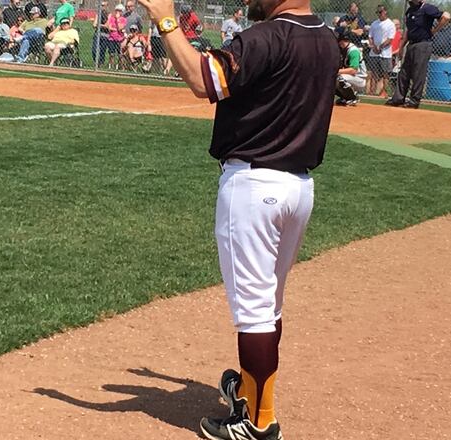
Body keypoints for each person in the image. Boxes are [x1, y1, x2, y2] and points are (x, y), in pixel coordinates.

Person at [137, 0, 340, 437]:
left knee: (254, 313)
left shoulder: (267, 36)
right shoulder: (325, 37)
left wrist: (165, 18)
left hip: (254, 186)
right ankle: (250, 394)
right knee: (269, 305)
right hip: (298, 189)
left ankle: (258, 424)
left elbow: (201, 79)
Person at [386, 0, 450, 109]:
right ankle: (398, 99)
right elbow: (408, 31)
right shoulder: (410, 11)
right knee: (404, 73)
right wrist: (401, 47)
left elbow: (446, 17)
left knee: (418, 73)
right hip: (411, 44)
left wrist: (434, 31)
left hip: (422, 44)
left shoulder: (427, 8)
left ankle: (414, 101)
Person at [366, 5, 395, 98]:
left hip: (385, 53)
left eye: (380, 12)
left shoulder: (390, 24)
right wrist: (374, 46)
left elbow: (390, 39)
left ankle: (384, 92)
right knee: (373, 73)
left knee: (385, 73)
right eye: (377, 12)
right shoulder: (374, 23)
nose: (379, 14)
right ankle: (372, 92)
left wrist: (380, 47)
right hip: (374, 52)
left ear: (385, 12)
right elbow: (370, 36)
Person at [336, 30, 367, 105]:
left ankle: (353, 98)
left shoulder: (353, 51)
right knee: (330, 78)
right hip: (351, 77)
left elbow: (353, 70)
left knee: (339, 77)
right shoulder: (343, 49)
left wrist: (336, 71)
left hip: (359, 78)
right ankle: (345, 97)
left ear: (342, 41)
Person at [106, 3, 127, 69]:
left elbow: (121, 28)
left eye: (119, 11)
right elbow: (109, 28)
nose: (117, 12)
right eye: (117, 10)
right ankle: (110, 66)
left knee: (120, 54)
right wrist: (116, 29)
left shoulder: (123, 19)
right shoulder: (112, 18)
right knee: (111, 54)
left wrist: (118, 19)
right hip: (112, 38)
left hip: (120, 39)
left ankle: (119, 66)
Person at [92, 0, 110, 66]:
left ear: (107, 6)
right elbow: (94, 25)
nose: (102, 7)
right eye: (101, 5)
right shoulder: (98, 14)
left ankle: (101, 63)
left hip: (105, 35)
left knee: (102, 50)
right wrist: (102, 25)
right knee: (94, 49)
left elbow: (107, 26)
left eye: (103, 6)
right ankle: (96, 62)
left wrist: (98, 25)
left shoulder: (109, 14)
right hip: (97, 34)